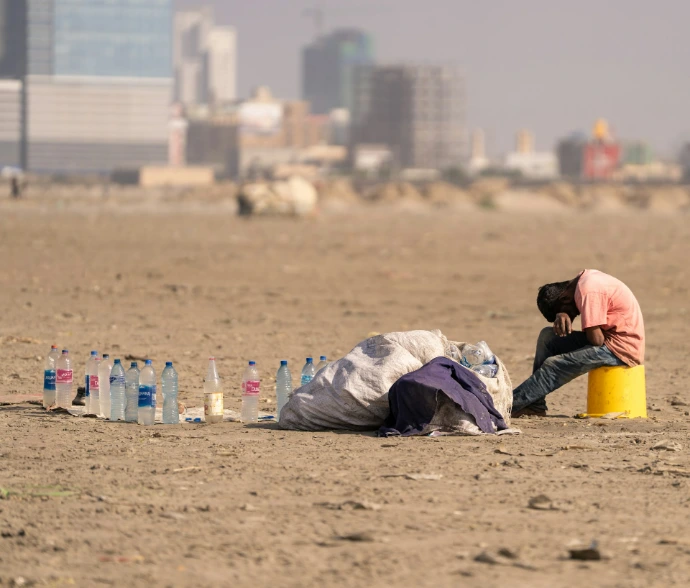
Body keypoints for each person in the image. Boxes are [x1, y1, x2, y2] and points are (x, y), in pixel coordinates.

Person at [512, 269, 645, 418]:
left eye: (569, 312)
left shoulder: (588, 291)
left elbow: (596, 340)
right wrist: (563, 312)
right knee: (547, 336)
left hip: (621, 349)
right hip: (608, 339)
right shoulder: (583, 281)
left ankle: (505, 406)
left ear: (564, 300)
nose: (573, 316)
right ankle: (535, 406)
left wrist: (565, 314)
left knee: (554, 365)